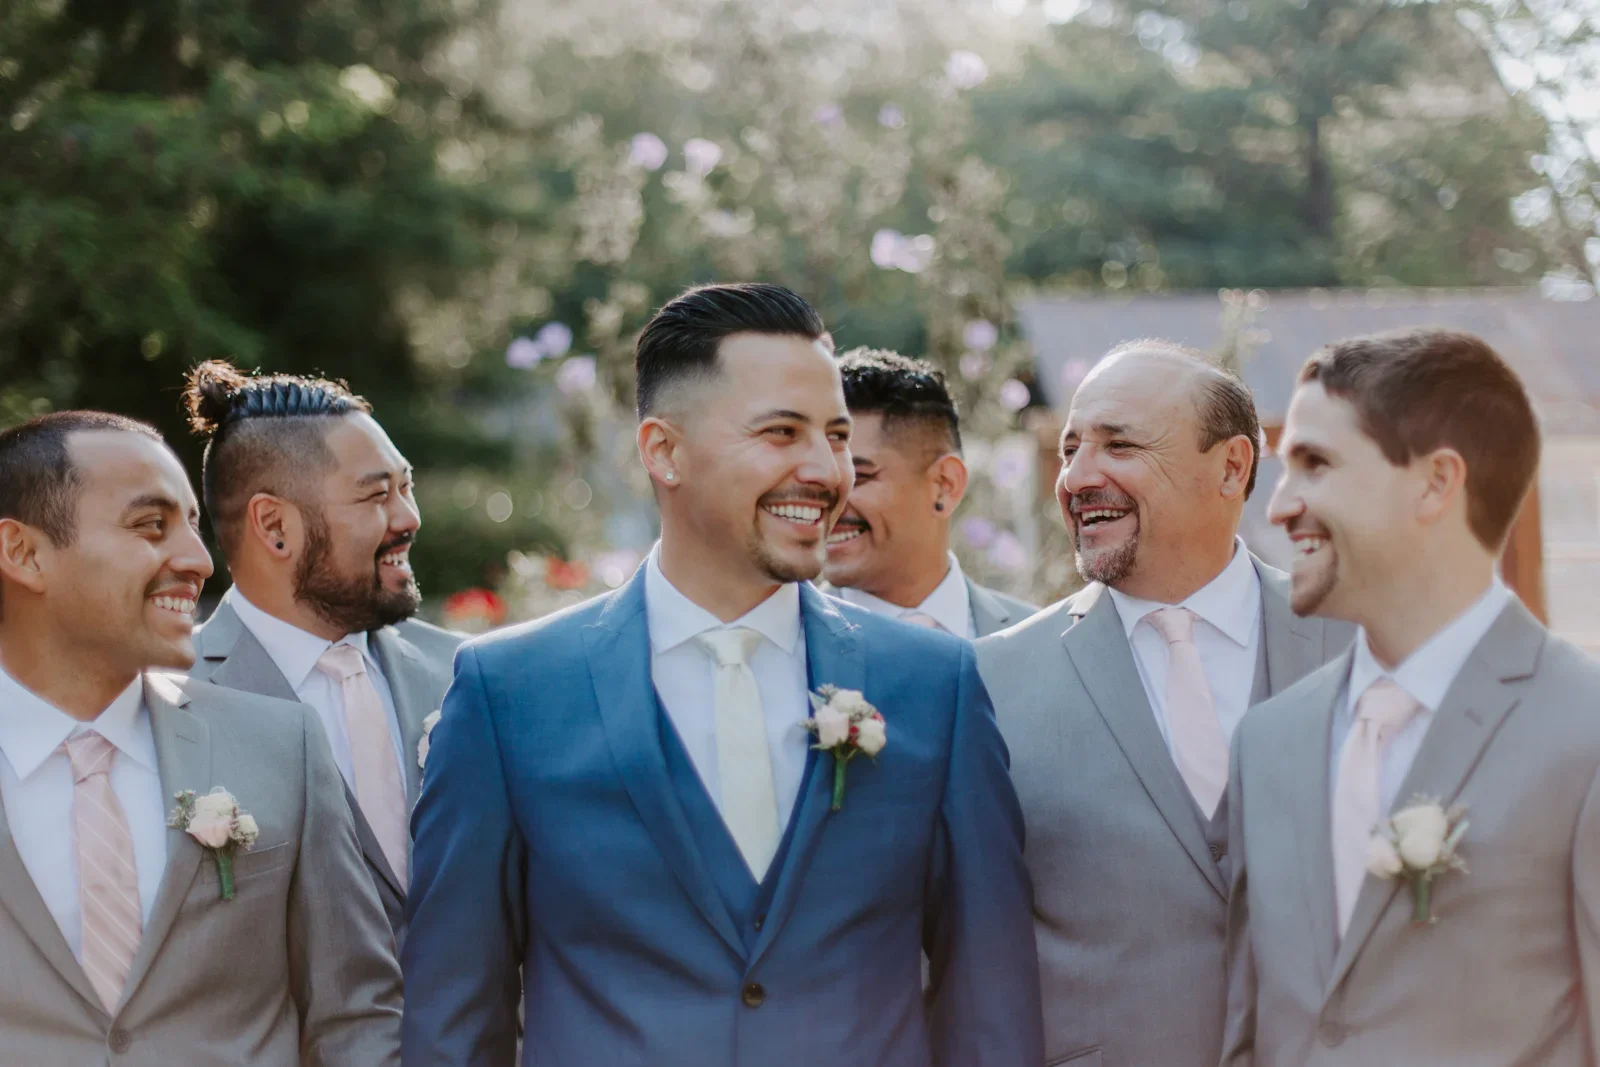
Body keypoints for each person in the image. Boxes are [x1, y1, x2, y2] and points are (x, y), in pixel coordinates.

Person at [402, 283, 1043, 1067]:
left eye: (836, 435)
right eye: (782, 432)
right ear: (663, 450)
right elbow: (455, 1022)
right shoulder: (507, 691)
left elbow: (991, 1007)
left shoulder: (934, 683)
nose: (824, 468)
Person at [1221, 329, 1600, 1065]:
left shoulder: (1585, 729)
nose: (1278, 506)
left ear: (1436, 482)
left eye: (1315, 464)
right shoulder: (1268, 741)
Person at [976, 341, 1352, 1067]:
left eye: (1119, 445)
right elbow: (965, 952)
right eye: (1070, 449)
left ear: (1233, 466)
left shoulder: (1359, 639)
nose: (1079, 477)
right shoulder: (990, 681)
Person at [0, 411, 401, 1065]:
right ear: (23, 552)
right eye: (151, 525)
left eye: (192, 523)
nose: (198, 560)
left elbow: (356, 1015)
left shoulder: (283, 745)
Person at [182, 362, 461, 941]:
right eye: (377, 495)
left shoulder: (469, 674)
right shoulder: (169, 699)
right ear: (275, 525)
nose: (409, 518)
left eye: (406, 487)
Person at [821, 347, 1036, 637]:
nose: (829, 500)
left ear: (944, 485)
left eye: (859, 477)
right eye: (821, 479)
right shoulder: (775, 647)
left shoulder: (1038, 639)